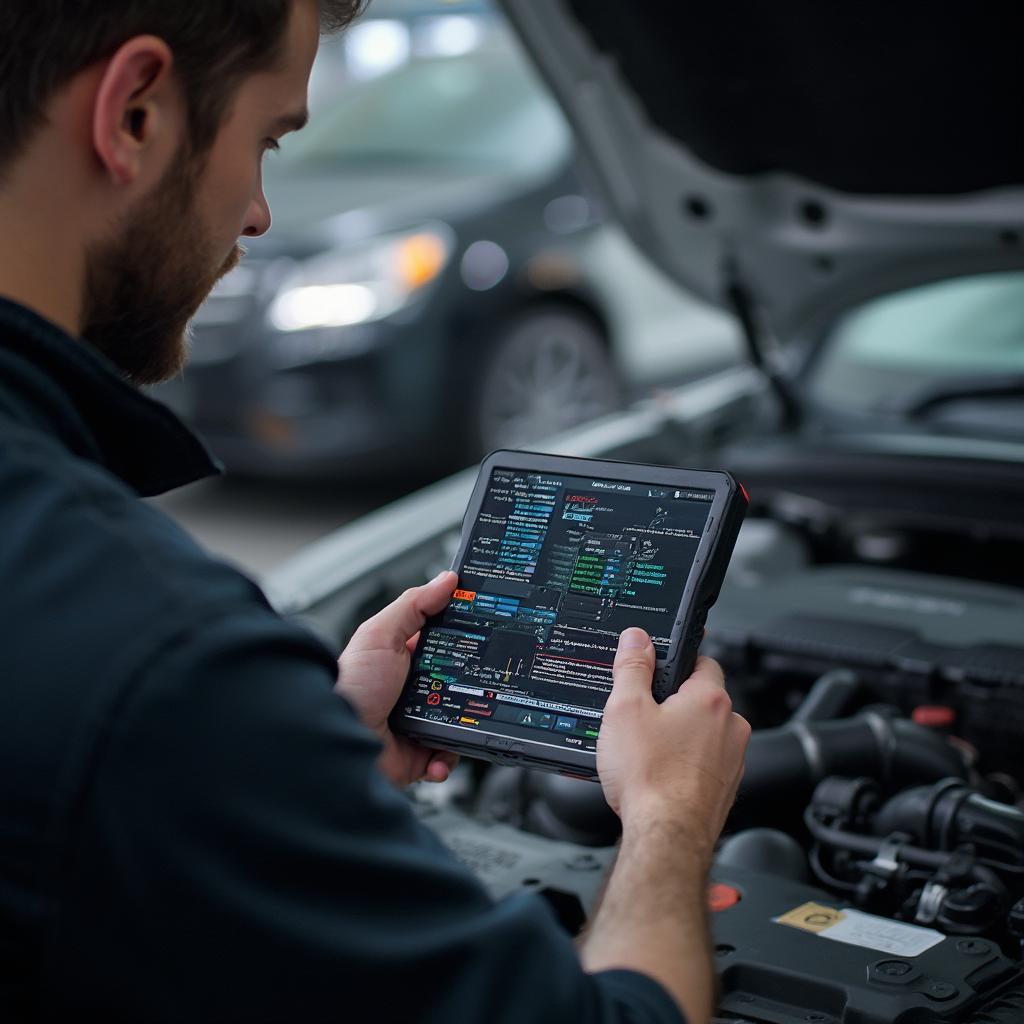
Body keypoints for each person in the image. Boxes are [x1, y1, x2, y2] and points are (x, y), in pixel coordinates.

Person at [0, 2, 751, 1021]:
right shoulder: (154, 659)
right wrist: (669, 816)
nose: (260, 213)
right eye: (267, 139)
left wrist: (295, 757)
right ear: (135, 112)